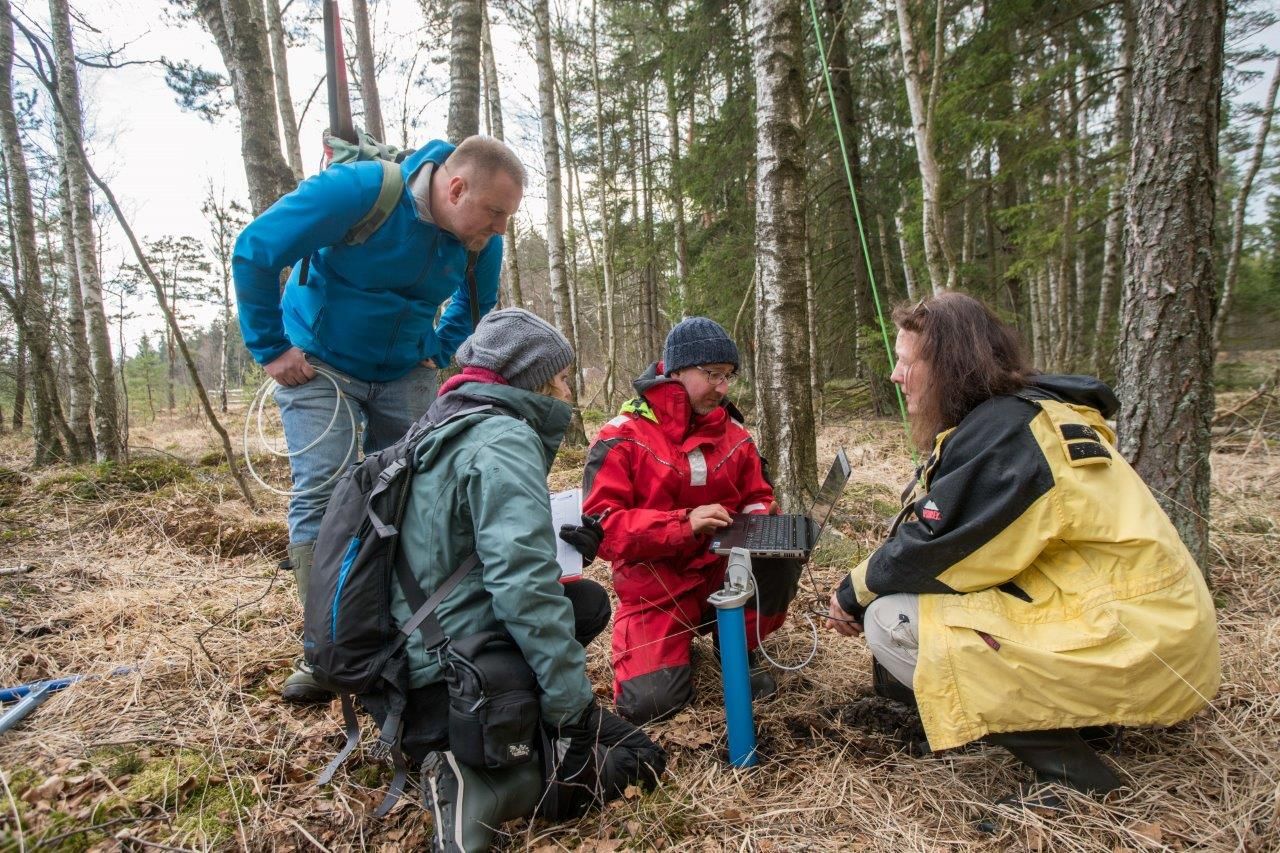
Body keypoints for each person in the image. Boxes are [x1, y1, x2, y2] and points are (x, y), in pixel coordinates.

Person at [825, 292, 1220, 814]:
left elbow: (934, 551)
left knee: (890, 619)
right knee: (917, 602)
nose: (896, 377)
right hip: (1149, 622)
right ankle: (1081, 723)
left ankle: (1076, 776)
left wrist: (849, 593)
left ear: (949, 365)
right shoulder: (1023, 416)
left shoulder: (1010, 435)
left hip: (1134, 637)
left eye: (906, 363)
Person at [232, 135, 524, 702]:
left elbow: (473, 306)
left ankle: (410, 630)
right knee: (325, 489)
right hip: (317, 363)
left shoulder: (479, 240)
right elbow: (256, 249)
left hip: (402, 370)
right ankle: (328, 647)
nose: (501, 230)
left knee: (420, 489)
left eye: (507, 218)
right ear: (456, 187)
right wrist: (270, 347)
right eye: (494, 214)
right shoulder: (358, 193)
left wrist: (438, 349)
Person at [368, 308, 665, 852]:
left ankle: (463, 753)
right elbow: (523, 589)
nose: (570, 389)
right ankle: (482, 790)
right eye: (563, 376)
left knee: (588, 602)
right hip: (457, 687)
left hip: (404, 672)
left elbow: (464, 550)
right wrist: (571, 711)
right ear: (537, 380)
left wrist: (563, 541)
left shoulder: (444, 424)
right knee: (638, 759)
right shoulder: (502, 441)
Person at [582, 317, 795, 724]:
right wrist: (685, 523)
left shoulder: (734, 432)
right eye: (712, 374)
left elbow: (757, 494)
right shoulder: (622, 436)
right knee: (650, 706)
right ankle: (676, 646)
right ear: (676, 370)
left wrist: (760, 520)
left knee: (780, 559)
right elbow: (604, 529)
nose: (722, 387)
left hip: (724, 570)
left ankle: (736, 645)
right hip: (655, 586)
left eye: (728, 376)